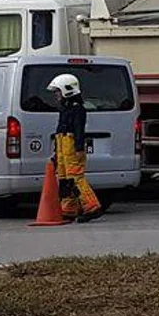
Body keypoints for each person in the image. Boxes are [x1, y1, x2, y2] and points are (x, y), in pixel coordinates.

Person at [48, 73, 103, 223]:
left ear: (67, 90)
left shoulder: (77, 109)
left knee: (75, 177)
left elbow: (79, 130)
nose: (56, 95)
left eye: (58, 92)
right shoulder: (64, 109)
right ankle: (69, 208)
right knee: (64, 178)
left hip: (71, 144)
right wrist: (56, 153)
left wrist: (79, 147)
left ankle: (92, 206)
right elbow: (60, 130)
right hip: (62, 144)